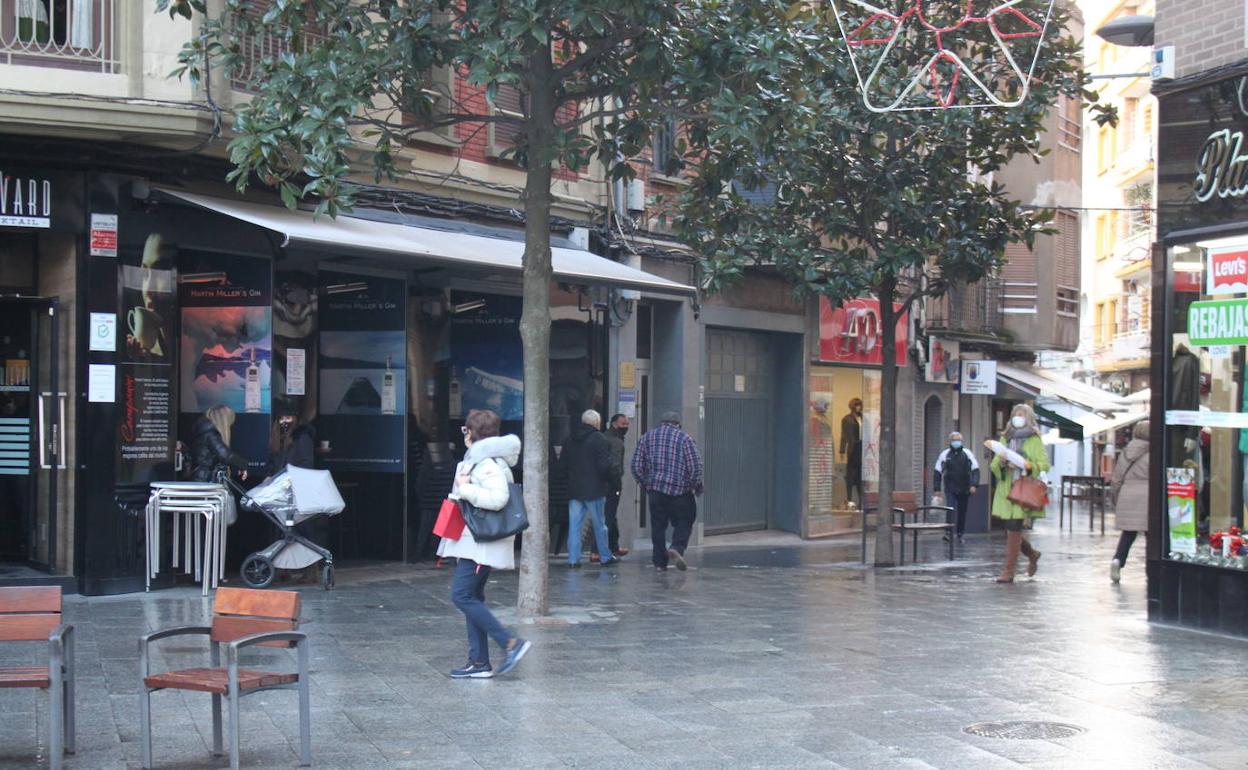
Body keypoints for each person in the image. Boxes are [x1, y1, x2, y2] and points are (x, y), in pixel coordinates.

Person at [437, 409, 531, 679]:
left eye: (465, 430)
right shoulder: (482, 460)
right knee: (472, 597)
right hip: (475, 542)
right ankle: (478, 662)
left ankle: (510, 642)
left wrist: (465, 489)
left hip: (481, 544)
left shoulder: (486, 463)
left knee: (461, 595)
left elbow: (498, 498)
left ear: (471, 433)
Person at [631, 411, 703, 572]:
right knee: (686, 519)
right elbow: (696, 467)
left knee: (658, 526)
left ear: (661, 422)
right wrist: (692, 485)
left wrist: (646, 484)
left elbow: (636, 466)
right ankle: (677, 546)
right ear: (677, 424)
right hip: (680, 491)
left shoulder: (646, 438)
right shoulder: (685, 439)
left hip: (656, 490)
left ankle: (659, 563)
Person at [989, 403, 1050, 583]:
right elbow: (994, 464)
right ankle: (1032, 554)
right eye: (1016, 414)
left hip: (1024, 488)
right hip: (1006, 488)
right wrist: (1001, 463)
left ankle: (1008, 571)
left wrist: (1028, 465)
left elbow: (1044, 464)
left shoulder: (1035, 439)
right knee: (1010, 528)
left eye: (1022, 414)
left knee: (1014, 526)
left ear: (1028, 418)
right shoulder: (1005, 438)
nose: (1018, 417)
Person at [562, 410, 620, 568]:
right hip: (594, 489)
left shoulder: (569, 439)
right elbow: (604, 466)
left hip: (575, 489)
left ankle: (573, 559)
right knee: (599, 525)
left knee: (574, 526)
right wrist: (610, 481)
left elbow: (563, 464)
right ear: (596, 423)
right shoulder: (599, 439)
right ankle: (605, 556)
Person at [1109, 420, 1150, 584]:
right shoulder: (1154, 452)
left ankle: (1118, 560)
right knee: (1151, 536)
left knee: (1128, 533)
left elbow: (1117, 478)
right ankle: (1150, 571)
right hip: (1147, 496)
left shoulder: (1126, 452)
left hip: (1127, 494)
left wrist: (1116, 498)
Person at [591, 413, 630, 561]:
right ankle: (596, 551)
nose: (626, 427)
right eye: (623, 425)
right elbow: (614, 466)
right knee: (607, 517)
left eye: (627, 424)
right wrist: (617, 483)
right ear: (614, 424)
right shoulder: (616, 442)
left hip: (599, 483)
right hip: (611, 484)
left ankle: (614, 546)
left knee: (610, 516)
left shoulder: (602, 437)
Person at [933, 431, 980, 542]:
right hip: (950, 487)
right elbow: (937, 471)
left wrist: (974, 484)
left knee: (962, 511)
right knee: (950, 509)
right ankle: (948, 532)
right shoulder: (945, 455)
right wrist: (937, 488)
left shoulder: (967, 454)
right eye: (954, 440)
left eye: (958, 440)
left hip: (964, 487)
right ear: (950, 441)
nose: (956, 442)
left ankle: (960, 533)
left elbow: (975, 470)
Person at [189, 404, 249, 483]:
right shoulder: (210, 433)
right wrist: (243, 465)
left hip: (202, 478)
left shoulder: (204, 431)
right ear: (224, 420)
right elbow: (225, 454)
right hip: (206, 480)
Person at [267, 404, 315, 474]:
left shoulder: (301, 437)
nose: (284, 421)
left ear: (295, 419)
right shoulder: (277, 438)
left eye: (288, 418)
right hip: (279, 480)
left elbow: (307, 464)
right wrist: (270, 475)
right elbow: (272, 462)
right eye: (281, 418)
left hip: (295, 480)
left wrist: (290, 475)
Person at [840, 398, 864, 507]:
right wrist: (842, 450)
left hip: (862, 447)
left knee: (860, 475)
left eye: (859, 405)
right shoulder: (847, 419)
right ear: (852, 406)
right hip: (853, 448)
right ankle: (849, 499)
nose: (858, 407)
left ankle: (861, 502)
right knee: (850, 474)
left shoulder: (863, 418)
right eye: (856, 405)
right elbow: (844, 435)